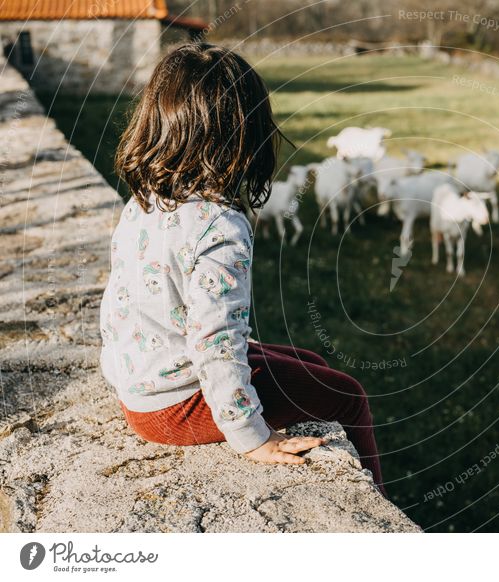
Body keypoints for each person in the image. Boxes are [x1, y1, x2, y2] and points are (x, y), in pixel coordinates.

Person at [99, 43, 384, 493]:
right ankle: (380, 511)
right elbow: (215, 340)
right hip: (175, 406)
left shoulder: (145, 201)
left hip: (141, 386)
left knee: (308, 361)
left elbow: (118, 301)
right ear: (245, 134)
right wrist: (250, 436)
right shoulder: (220, 226)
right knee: (348, 396)